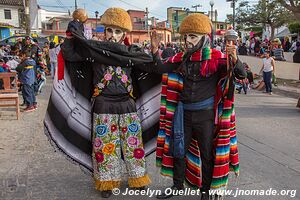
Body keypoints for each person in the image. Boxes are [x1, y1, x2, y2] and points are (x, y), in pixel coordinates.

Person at [153, 14, 246, 200]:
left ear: (205, 37)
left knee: (207, 155)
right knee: (178, 150)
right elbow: (160, 69)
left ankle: (205, 191)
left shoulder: (218, 57)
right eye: (186, 36)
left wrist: (234, 57)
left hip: (206, 116)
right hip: (183, 114)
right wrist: (155, 50)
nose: (187, 41)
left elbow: (241, 75)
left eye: (193, 36)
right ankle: (177, 185)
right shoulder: (181, 58)